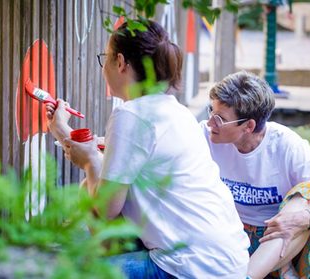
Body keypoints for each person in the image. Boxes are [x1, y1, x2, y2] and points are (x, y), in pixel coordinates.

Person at [46, 20, 250, 278]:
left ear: (120, 62)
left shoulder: (130, 116)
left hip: (190, 267)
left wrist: (89, 162)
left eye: (105, 58)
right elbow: (117, 171)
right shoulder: (175, 111)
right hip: (229, 262)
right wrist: (62, 131)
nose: (104, 66)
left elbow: (106, 210)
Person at [200, 71, 310, 279]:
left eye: (219, 118)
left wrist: (301, 219)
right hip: (230, 237)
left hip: (280, 239)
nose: (210, 123)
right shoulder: (203, 137)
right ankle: (277, 270)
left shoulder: (287, 145)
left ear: (249, 126)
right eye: (211, 112)